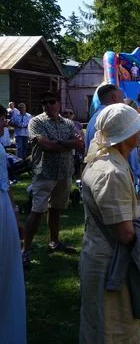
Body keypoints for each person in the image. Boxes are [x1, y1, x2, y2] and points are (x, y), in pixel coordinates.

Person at [79, 104, 140, 343]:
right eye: (137, 128)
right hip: (110, 265)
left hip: (105, 258)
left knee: (108, 326)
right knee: (111, 330)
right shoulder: (111, 172)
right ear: (125, 135)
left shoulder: (112, 161)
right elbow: (124, 233)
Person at [22, 91, 84, 268]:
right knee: (37, 210)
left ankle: (54, 241)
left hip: (64, 173)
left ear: (59, 103)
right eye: (45, 103)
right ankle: (25, 249)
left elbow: (79, 144)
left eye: (52, 102)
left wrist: (57, 143)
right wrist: (66, 142)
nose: (49, 106)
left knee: (56, 209)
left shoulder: (68, 123)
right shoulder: (36, 122)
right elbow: (44, 145)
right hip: (44, 173)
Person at [0, 104, 26, 343]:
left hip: (3, 209)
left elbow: (5, 185)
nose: (4, 124)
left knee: (7, 262)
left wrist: (15, 216)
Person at [85, 84, 124, 154]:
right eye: (122, 97)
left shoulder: (94, 118)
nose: (123, 101)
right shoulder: (114, 118)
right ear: (114, 97)